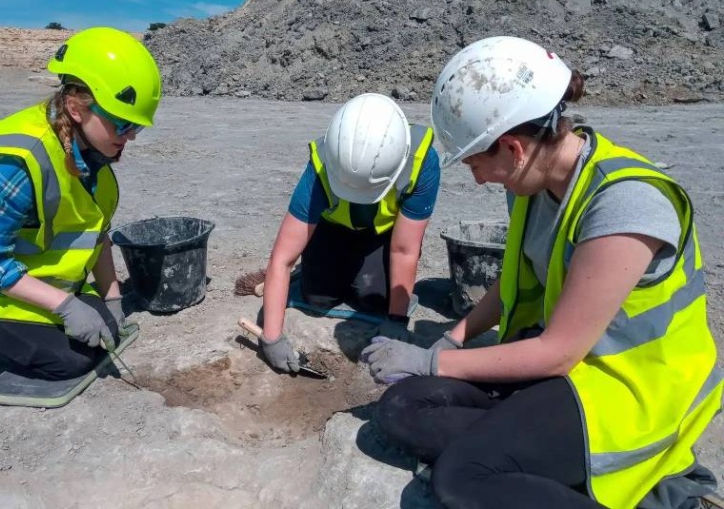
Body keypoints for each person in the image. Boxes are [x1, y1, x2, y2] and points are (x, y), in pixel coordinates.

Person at [363, 36, 723, 508]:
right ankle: (530, 457)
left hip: (625, 393)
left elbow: (558, 352)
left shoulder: (624, 202)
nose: (476, 178)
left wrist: (431, 363)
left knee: (461, 477)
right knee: (403, 408)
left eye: (476, 162)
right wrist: (451, 340)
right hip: (564, 375)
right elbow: (511, 279)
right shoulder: (531, 187)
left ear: (513, 148)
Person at [0, 27, 162, 384]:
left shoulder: (91, 155)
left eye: (137, 129)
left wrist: (114, 301)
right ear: (76, 108)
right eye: (122, 124)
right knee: (69, 360)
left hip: (4, 265)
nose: (129, 137)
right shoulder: (18, 165)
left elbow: (95, 234)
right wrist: (64, 305)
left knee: (103, 327)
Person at [259, 93, 441, 373]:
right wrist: (271, 338)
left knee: (373, 299)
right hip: (331, 231)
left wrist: (396, 319)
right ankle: (312, 274)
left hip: (384, 238)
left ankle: (369, 286)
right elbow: (282, 257)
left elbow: (404, 249)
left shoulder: (421, 161)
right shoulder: (323, 163)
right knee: (318, 298)